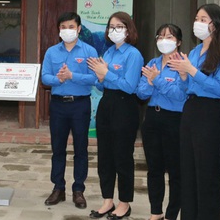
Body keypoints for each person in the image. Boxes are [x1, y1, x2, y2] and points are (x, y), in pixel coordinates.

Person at [167, 3, 220, 220]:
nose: (198, 23)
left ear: (216, 24)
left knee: (207, 174)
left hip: (209, 114)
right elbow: (187, 89)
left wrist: (192, 71)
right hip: (190, 112)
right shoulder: (195, 51)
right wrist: (185, 75)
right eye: (197, 18)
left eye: (204, 19)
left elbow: (219, 89)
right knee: (188, 171)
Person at [87, 11, 143, 219]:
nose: (114, 30)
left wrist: (107, 73)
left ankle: (124, 203)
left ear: (128, 29)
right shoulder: (108, 52)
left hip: (124, 107)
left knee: (122, 157)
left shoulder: (133, 54)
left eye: (119, 26)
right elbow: (99, 83)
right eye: (111, 26)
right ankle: (107, 200)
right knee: (105, 157)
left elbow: (130, 86)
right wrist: (102, 76)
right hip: (107, 104)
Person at [41, 11, 98, 210]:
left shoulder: (89, 51)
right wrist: (59, 79)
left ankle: (78, 189)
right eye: (63, 27)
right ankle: (58, 187)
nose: (67, 31)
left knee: (80, 149)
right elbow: (45, 77)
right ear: (59, 30)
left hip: (80, 105)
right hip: (58, 105)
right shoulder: (51, 52)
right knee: (58, 148)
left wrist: (73, 76)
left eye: (71, 27)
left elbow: (95, 78)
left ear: (79, 29)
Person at [136, 24, 186, 220]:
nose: (164, 40)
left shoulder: (183, 64)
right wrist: (149, 82)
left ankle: (171, 215)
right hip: (152, 119)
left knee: (176, 172)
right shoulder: (152, 62)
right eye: (161, 36)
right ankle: (155, 211)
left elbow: (180, 96)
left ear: (179, 42)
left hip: (175, 120)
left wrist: (156, 80)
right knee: (154, 169)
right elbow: (141, 93)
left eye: (170, 37)